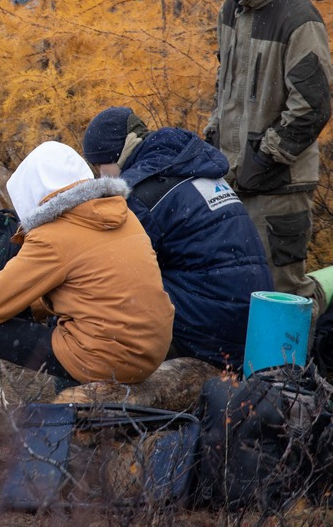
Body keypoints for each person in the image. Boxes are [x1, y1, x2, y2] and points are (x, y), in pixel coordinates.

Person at [0, 141, 174, 473]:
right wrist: (33, 305)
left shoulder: (54, 236)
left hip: (105, 356)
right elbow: (92, 290)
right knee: (47, 318)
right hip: (150, 350)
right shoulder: (120, 216)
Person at [83, 106, 273, 369]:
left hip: (214, 328)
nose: (99, 176)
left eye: (98, 166)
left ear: (115, 155)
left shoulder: (139, 193)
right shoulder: (188, 166)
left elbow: (114, 272)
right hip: (255, 320)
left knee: (114, 285)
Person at [205, 0, 332, 308]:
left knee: (282, 291)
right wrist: (212, 141)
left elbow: (313, 104)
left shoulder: (299, 18)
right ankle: (249, 369)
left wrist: (267, 157)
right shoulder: (232, 11)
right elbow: (224, 85)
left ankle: (298, 365)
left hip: (280, 185)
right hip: (232, 178)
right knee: (238, 285)